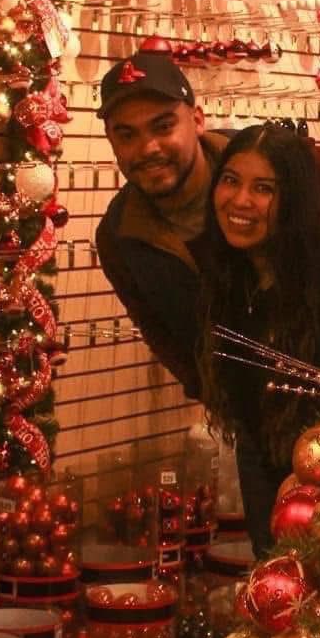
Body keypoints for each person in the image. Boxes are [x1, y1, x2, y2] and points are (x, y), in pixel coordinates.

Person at [198, 123, 320, 555]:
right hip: (280, 492)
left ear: (293, 198)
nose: (240, 201)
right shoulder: (232, 280)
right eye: (230, 180)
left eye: (263, 188)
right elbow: (253, 432)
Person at [94, 50, 229, 397]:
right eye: (127, 135)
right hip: (246, 414)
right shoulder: (118, 236)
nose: (148, 148)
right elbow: (161, 335)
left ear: (197, 120)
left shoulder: (266, 162)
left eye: (163, 126)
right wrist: (210, 393)